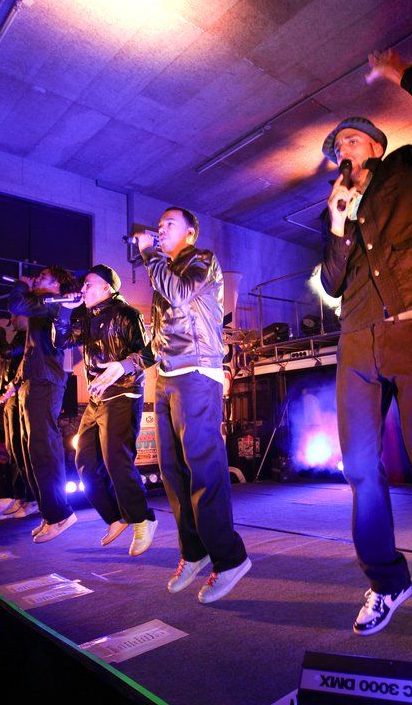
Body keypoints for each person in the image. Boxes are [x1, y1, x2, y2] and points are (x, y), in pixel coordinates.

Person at [320, 49, 412, 652]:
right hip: (357, 337)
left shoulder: (408, 169)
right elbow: (332, 284)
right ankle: (387, 582)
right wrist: (336, 227)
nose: (343, 148)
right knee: (359, 466)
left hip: (411, 330)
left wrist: (399, 69)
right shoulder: (337, 210)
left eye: (353, 140)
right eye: (337, 146)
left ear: (377, 148)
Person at [136, 208, 250, 604]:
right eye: (159, 224)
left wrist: (149, 254)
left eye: (168, 224)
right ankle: (194, 550)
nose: (160, 229)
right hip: (167, 375)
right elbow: (160, 331)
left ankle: (230, 558)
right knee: (173, 471)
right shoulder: (164, 272)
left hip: (197, 371)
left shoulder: (201, 260)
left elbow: (181, 293)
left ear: (190, 232)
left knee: (203, 467)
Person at [52, 264, 157, 556]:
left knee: (116, 460)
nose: (83, 289)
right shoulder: (86, 318)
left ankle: (143, 518)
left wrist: (123, 366)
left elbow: (149, 353)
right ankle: (116, 516)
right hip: (98, 399)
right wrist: (64, 311)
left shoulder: (127, 314)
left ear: (107, 288)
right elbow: (61, 341)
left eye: (88, 284)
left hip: (124, 393)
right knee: (84, 461)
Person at [8, 266, 78, 543]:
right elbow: (30, 347)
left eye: (43, 277)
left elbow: (16, 304)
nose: (36, 278)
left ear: (57, 285)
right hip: (34, 381)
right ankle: (50, 514)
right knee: (31, 451)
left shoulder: (53, 303)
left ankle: (60, 514)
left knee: (43, 449)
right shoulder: (44, 306)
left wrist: (21, 284)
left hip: (45, 382)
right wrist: (17, 383)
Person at [0, 314, 37, 517]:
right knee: (13, 449)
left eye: (14, 315)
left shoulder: (26, 336)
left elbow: (6, 352)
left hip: (18, 395)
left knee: (21, 449)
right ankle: (21, 497)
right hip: (10, 395)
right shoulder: (20, 337)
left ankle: (31, 498)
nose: (11, 320)